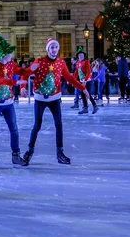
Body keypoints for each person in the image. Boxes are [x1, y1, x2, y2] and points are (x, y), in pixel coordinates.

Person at [24, 38, 89, 166]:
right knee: (37, 125)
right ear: (48, 49)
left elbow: (69, 78)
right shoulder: (40, 61)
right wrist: (22, 87)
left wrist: (83, 88)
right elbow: (26, 73)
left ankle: (60, 153)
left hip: (55, 98)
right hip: (41, 98)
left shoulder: (61, 62)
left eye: (56, 47)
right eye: (52, 47)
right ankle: (29, 151)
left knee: (59, 124)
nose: (54, 50)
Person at [0, 32, 32, 168]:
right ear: (3, 54)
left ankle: (16, 155)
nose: (12, 56)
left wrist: (24, 82)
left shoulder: (10, 64)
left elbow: (21, 72)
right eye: (10, 53)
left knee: (14, 129)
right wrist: (15, 83)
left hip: (8, 103)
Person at [72, 48, 98, 113]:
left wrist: (85, 81)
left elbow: (88, 72)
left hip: (88, 81)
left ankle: (95, 106)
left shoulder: (86, 62)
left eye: (82, 55)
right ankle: (85, 108)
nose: (81, 56)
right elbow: (76, 72)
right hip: (82, 80)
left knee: (87, 94)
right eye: (80, 55)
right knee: (83, 94)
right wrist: (73, 80)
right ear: (78, 56)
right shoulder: (78, 63)